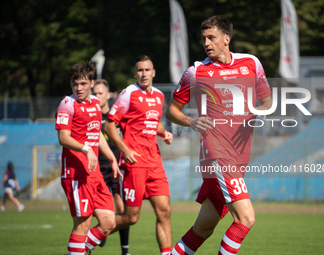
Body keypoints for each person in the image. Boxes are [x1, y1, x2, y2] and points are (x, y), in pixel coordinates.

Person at [166, 15, 273, 254]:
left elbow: (266, 101)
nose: (206, 43)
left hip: (238, 158)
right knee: (245, 219)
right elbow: (172, 111)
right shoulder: (195, 72)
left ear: (226, 39)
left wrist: (262, 112)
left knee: (203, 229)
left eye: (211, 37)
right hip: (217, 155)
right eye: (203, 38)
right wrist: (190, 121)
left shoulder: (251, 64)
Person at [99, 55, 173, 255]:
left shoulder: (158, 95)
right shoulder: (128, 94)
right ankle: (91, 237)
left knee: (165, 211)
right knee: (131, 217)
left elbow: (154, 121)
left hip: (154, 162)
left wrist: (163, 132)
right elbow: (109, 124)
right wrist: (125, 149)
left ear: (154, 72)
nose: (143, 74)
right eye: (140, 70)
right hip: (134, 162)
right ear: (134, 73)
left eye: (147, 70)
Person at [55, 62, 123, 255]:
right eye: (75, 83)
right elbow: (63, 138)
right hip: (76, 174)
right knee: (82, 226)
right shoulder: (67, 104)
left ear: (91, 83)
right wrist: (86, 149)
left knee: (109, 222)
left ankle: (78, 251)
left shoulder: (94, 103)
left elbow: (97, 133)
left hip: (94, 174)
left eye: (83, 83)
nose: (78, 88)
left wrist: (111, 158)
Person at [92, 79, 131, 255]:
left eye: (100, 93)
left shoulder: (116, 117)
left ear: (108, 95)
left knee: (123, 211)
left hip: (116, 169)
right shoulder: (91, 116)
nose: (97, 96)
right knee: (95, 214)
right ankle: (93, 239)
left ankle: (125, 251)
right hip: (96, 170)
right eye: (95, 93)